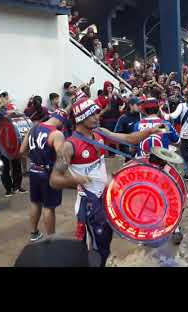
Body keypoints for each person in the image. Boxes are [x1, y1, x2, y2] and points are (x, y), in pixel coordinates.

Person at [49, 97, 162, 267]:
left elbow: (129, 139)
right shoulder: (69, 146)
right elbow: (54, 180)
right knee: (93, 249)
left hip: (105, 199)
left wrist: (150, 131)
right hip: (88, 205)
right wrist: (76, 179)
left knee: (104, 244)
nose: (97, 117)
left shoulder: (99, 133)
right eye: (92, 114)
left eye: (96, 113)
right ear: (80, 118)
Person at [19, 108, 70, 242]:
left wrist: (35, 158)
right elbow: (62, 158)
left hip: (34, 170)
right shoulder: (56, 134)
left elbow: (22, 151)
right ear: (62, 121)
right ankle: (51, 239)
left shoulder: (33, 128)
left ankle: (34, 233)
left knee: (35, 203)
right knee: (49, 207)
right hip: (48, 173)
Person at [0, 90, 26, 197]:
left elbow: (19, 118)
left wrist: (16, 111)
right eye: (0, 96)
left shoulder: (9, 108)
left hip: (13, 142)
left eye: (4, 96)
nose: (3, 98)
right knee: (5, 168)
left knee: (17, 165)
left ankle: (17, 186)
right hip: (1, 144)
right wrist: (1, 106)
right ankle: (8, 190)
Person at [114, 97, 142, 162]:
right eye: (138, 105)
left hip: (141, 151)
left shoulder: (143, 116)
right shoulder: (123, 118)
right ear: (131, 105)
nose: (140, 107)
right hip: (128, 153)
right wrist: (119, 153)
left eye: (141, 105)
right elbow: (117, 137)